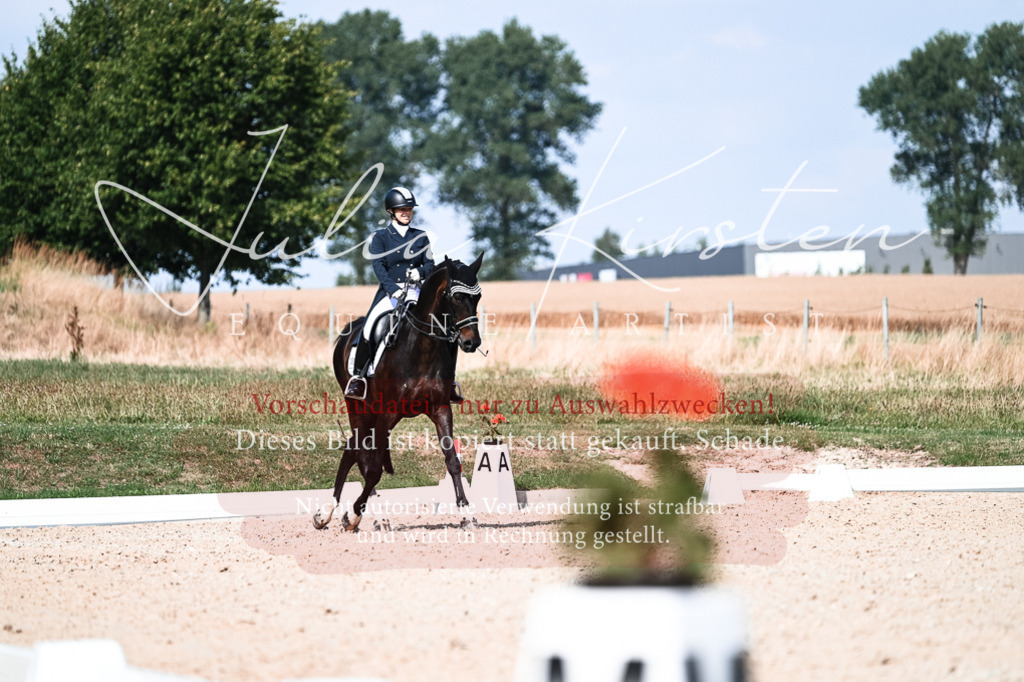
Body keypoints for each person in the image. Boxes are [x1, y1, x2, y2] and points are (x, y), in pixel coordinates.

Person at [344, 187, 463, 403]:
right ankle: (358, 378)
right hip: (389, 292)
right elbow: (379, 268)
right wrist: (394, 289)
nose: (406, 212)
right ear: (391, 211)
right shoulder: (380, 238)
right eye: (402, 209)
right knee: (370, 326)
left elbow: (430, 264)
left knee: (447, 328)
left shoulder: (420, 237)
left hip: (417, 292)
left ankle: (450, 382)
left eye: (409, 209)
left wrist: (421, 271)